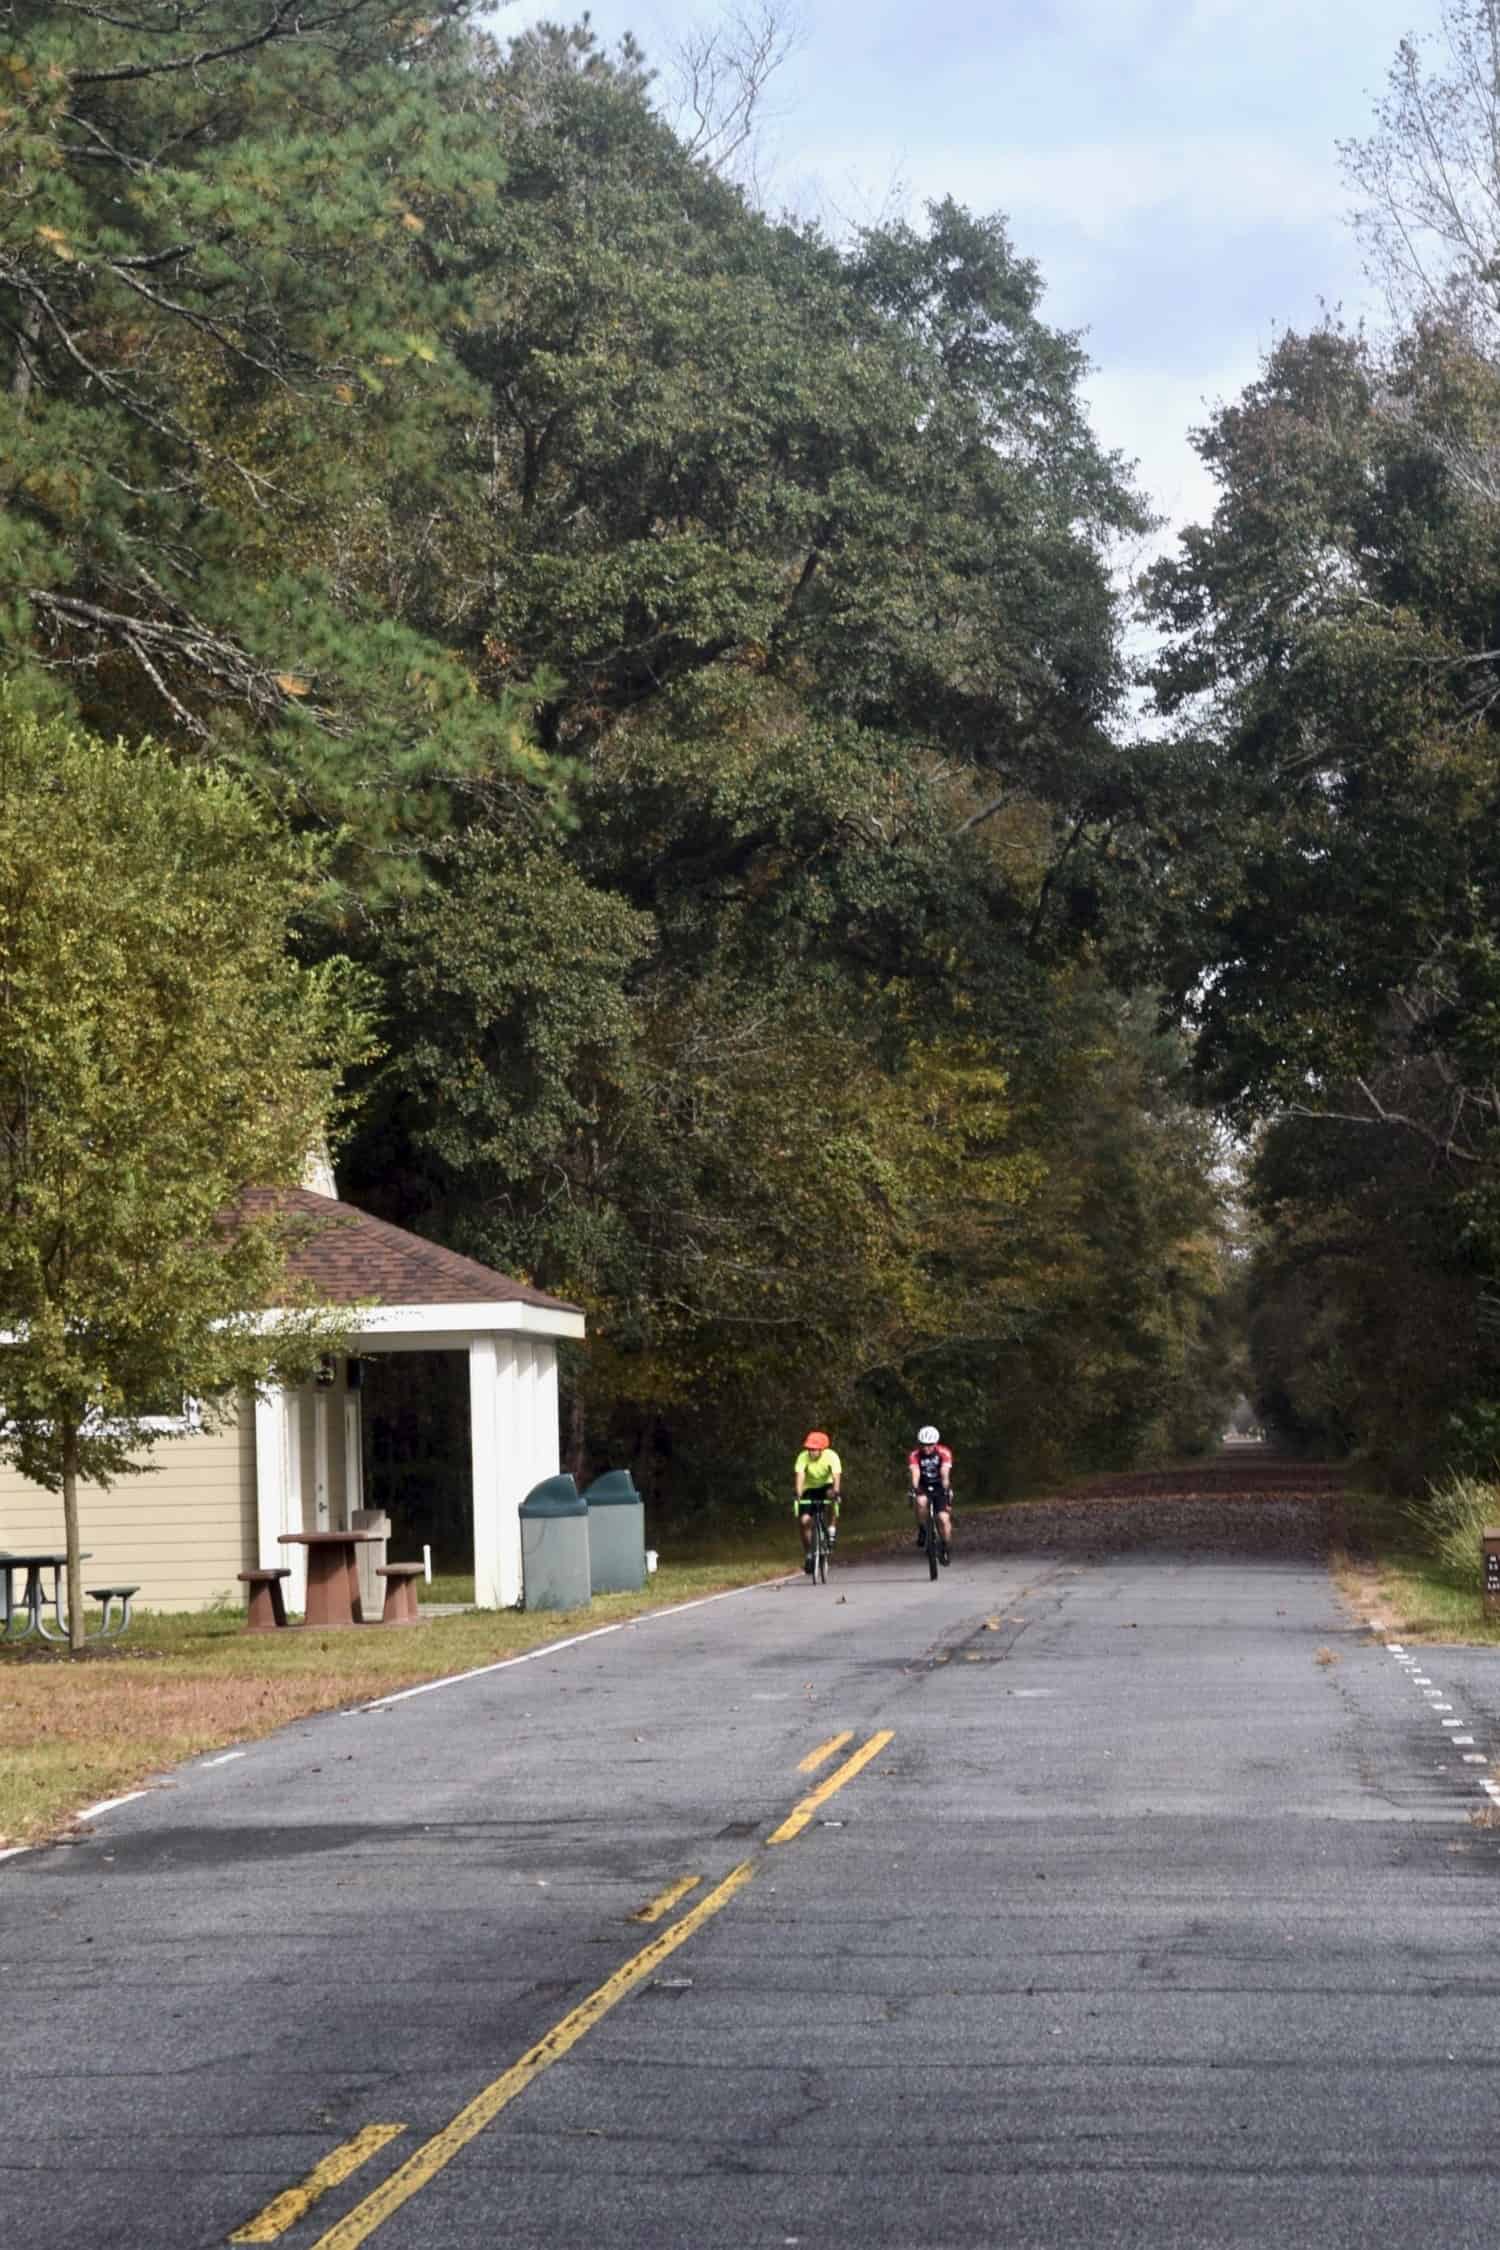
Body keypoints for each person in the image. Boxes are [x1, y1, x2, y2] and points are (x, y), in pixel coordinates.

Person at [793, 1429, 842, 1574]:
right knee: (804, 1521)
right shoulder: (802, 1457)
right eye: (809, 1449)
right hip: (809, 1489)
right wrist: (798, 1494)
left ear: (822, 1449)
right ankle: (809, 1554)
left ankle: (831, 1529)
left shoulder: (832, 1456)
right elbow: (800, 1476)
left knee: (833, 1496)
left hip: (826, 1486)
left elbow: (836, 1477)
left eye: (814, 1449)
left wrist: (836, 1491)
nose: (811, 1452)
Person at [909, 1424, 953, 1564]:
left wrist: (946, 1487)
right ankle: (922, 1529)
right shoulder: (915, 1455)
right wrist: (915, 1488)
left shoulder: (944, 1452)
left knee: (943, 1518)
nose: (926, 1448)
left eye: (930, 1445)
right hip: (923, 1485)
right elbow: (915, 1473)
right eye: (923, 1445)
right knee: (921, 1501)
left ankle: (945, 1546)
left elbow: (945, 1472)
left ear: (935, 1443)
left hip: (939, 1485)